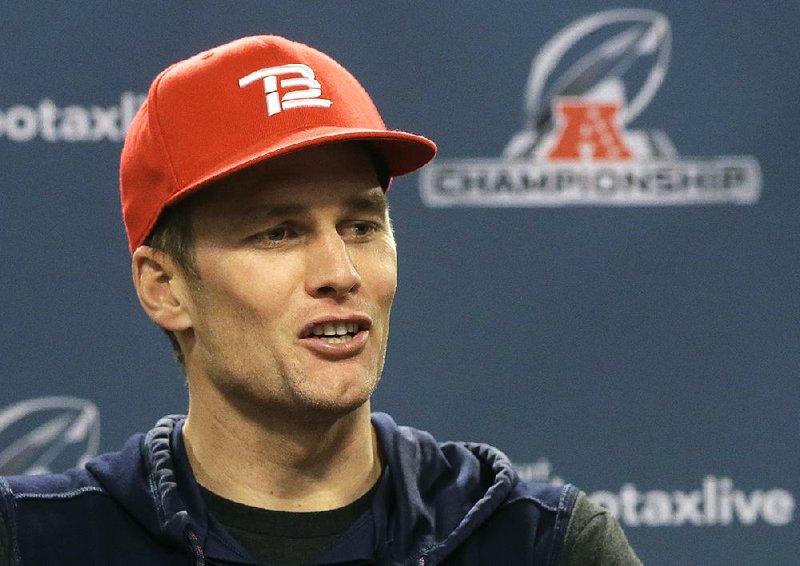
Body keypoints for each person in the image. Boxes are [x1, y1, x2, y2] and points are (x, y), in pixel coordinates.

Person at [0, 35, 640, 565]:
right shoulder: (36, 541)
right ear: (164, 287)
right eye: (278, 233)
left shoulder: (536, 544)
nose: (340, 271)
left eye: (362, 226)